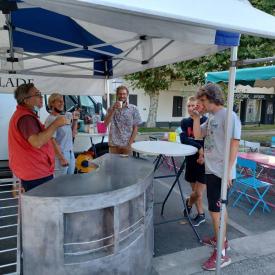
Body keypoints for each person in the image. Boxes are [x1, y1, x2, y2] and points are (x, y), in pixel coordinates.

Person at [192, 83, 241, 271]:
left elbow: (234, 144)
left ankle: (222, 253)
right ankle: (221, 238)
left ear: (212, 98)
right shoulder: (211, 117)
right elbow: (198, 135)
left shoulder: (229, 116)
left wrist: (228, 171)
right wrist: (196, 117)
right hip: (211, 170)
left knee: (216, 211)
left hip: (222, 172)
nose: (201, 104)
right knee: (218, 209)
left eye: (203, 101)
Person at [8, 83, 66, 191]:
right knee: (43, 205)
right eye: (37, 94)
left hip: (34, 170)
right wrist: (56, 124)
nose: (41, 97)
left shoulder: (26, 115)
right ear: (26, 100)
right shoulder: (25, 117)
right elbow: (37, 142)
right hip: (35, 173)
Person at [180, 96, 207, 226]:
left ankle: (190, 204)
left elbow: (208, 141)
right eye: (189, 106)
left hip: (204, 162)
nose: (191, 108)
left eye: (193, 105)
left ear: (199, 106)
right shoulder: (185, 122)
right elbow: (184, 139)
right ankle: (200, 213)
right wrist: (199, 147)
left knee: (198, 192)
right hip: (190, 160)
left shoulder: (206, 121)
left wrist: (203, 151)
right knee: (195, 192)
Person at [45, 93, 79, 177]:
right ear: (52, 103)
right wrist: (61, 158)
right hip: (60, 154)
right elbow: (51, 140)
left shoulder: (63, 117)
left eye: (62, 101)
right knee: (59, 183)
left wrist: (75, 121)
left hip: (70, 153)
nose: (62, 103)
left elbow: (72, 134)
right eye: (59, 101)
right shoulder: (50, 119)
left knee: (69, 182)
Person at [104, 85, 142, 155]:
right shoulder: (111, 108)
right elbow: (105, 124)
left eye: (124, 94)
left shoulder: (134, 109)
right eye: (120, 94)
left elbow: (135, 128)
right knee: (114, 165)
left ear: (127, 95)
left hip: (127, 144)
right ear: (117, 95)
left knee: (126, 165)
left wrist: (130, 144)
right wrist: (113, 110)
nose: (122, 96)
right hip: (114, 144)